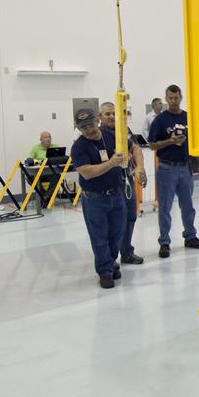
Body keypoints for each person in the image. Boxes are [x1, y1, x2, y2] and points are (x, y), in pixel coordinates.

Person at [71, 107, 130, 290]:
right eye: (84, 127)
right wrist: (111, 163)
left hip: (116, 194)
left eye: (91, 124)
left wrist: (126, 160)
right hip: (94, 199)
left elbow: (127, 151)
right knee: (99, 236)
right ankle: (104, 271)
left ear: (97, 120)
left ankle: (111, 261)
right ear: (79, 129)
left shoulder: (109, 136)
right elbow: (87, 173)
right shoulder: (79, 147)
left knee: (117, 233)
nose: (89, 129)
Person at [148, 84, 199, 258]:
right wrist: (170, 141)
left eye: (176, 98)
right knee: (165, 208)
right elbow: (152, 145)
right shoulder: (160, 120)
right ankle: (164, 242)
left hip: (184, 168)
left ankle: (190, 236)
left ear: (181, 98)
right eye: (170, 98)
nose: (173, 101)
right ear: (166, 99)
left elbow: (195, 144)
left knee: (188, 207)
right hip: (166, 169)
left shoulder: (189, 118)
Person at [99, 101, 146, 266]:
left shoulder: (124, 130)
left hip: (125, 181)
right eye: (107, 114)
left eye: (114, 114)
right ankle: (109, 259)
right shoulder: (96, 135)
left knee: (130, 217)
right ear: (100, 117)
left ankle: (126, 252)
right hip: (106, 186)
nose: (112, 117)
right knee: (112, 222)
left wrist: (139, 168)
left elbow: (136, 149)